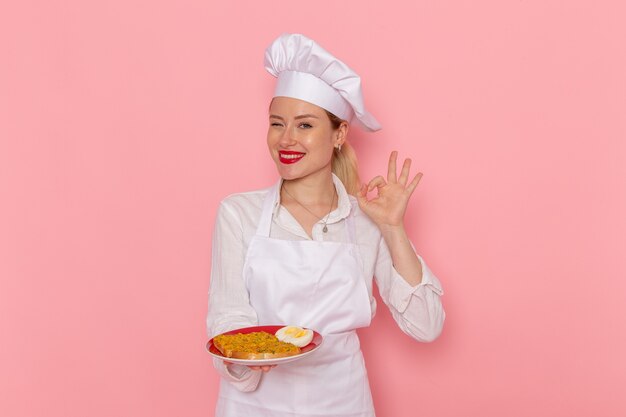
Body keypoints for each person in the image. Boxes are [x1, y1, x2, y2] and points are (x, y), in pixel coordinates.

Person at [206, 33, 445, 417]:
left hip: (342, 401)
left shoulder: (367, 219)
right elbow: (228, 314)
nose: (286, 139)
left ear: (339, 134)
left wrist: (393, 229)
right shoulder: (239, 213)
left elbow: (427, 326)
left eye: (304, 126)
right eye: (276, 123)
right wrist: (244, 358)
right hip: (254, 404)